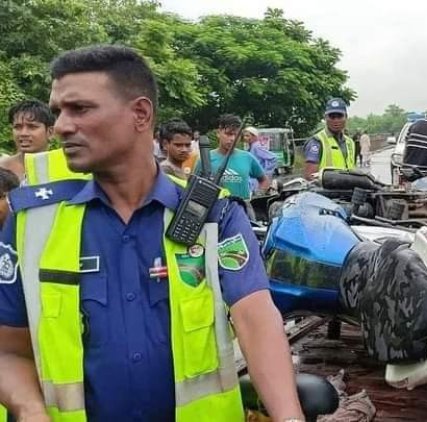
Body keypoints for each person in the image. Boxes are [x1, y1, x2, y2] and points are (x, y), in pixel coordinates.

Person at [0, 45, 303, 422]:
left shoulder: (214, 215)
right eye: (59, 110)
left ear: (140, 114)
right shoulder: (33, 219)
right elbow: (8, 349)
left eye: (80, 109)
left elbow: (255, 317)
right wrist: (30, 410)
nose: (61, 125)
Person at [195, 114, 270, 199]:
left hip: (242, 210)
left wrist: (258, 195)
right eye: (229, 134)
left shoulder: (247, 157)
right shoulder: (205, 160)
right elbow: (193, 187)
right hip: (215, 211)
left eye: (236, 135)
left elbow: (264, 180)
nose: (233, 139)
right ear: (218, 133)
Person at [0, 99, 55, 180]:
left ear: (50, 132)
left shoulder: (65, 167)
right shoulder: (2, 168)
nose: (23, 133)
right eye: (17, 127)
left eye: (32, 127)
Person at [303, 98, 356, 180]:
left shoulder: (350, 142)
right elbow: (310, 177)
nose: (336, 120)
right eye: (332, 117)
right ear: (325, 118)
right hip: (325, 191)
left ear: (346, 117)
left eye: (339, 116)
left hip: (348, 190)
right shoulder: (317, 141)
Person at [243, 126, 278, 192]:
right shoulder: (250, 147)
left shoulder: (257, 147)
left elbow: (273, 158)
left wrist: (266, 173)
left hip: (257, 179)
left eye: (247, 136)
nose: (245, 138)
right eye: (244, 136)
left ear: (254, 136)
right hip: (251, 178)